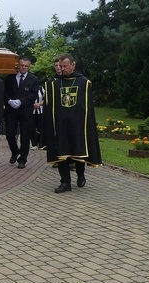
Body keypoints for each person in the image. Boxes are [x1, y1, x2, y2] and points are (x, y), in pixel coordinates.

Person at [42, 53, 102, 193]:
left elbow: (87, 107)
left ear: (73, 65)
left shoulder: (83, 82)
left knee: (78, 151)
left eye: (65, 66)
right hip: (60, 126)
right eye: (60, 66)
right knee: (61, 152)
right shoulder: (55, 84)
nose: (62, 69)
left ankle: (80, 174)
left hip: (77, 125)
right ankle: (65, 182)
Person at [4, 57, 40, 169]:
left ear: (29, 67)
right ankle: (15, 151)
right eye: (22, 65)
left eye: (26, 66)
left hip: (26, 111)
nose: (23, 67)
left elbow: (33, 95)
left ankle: (22, 159)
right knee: (10, 134)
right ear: (18, 65)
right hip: (11, 110)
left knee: (25, 136)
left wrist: (21, 101)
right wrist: (9, 101)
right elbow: (4, 92)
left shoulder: (34, 79)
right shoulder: (10, 78)